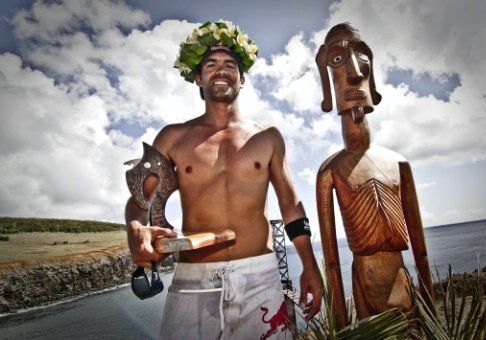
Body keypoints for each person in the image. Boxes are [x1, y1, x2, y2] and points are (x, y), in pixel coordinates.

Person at [125, 20, 323, 339]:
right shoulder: (173, 137)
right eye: (211, 64)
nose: (221, 69)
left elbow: (291, 206)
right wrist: (135, 229)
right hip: (193, 280)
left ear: (242, 79)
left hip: (261, 277)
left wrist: (310, 267)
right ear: (197, 77)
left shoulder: (269, 138)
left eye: (230, 64)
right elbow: (140, 201)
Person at [315, 23, 434, 328]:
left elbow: (420, 251)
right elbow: (331, 264)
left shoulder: (399, 164)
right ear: (326, 75)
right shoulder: (330, 171)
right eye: (338, 60)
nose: (354, 72)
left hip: (405, 290)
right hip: (367, 295)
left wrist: (432, 318)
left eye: (362, 58)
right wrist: (342, 328)